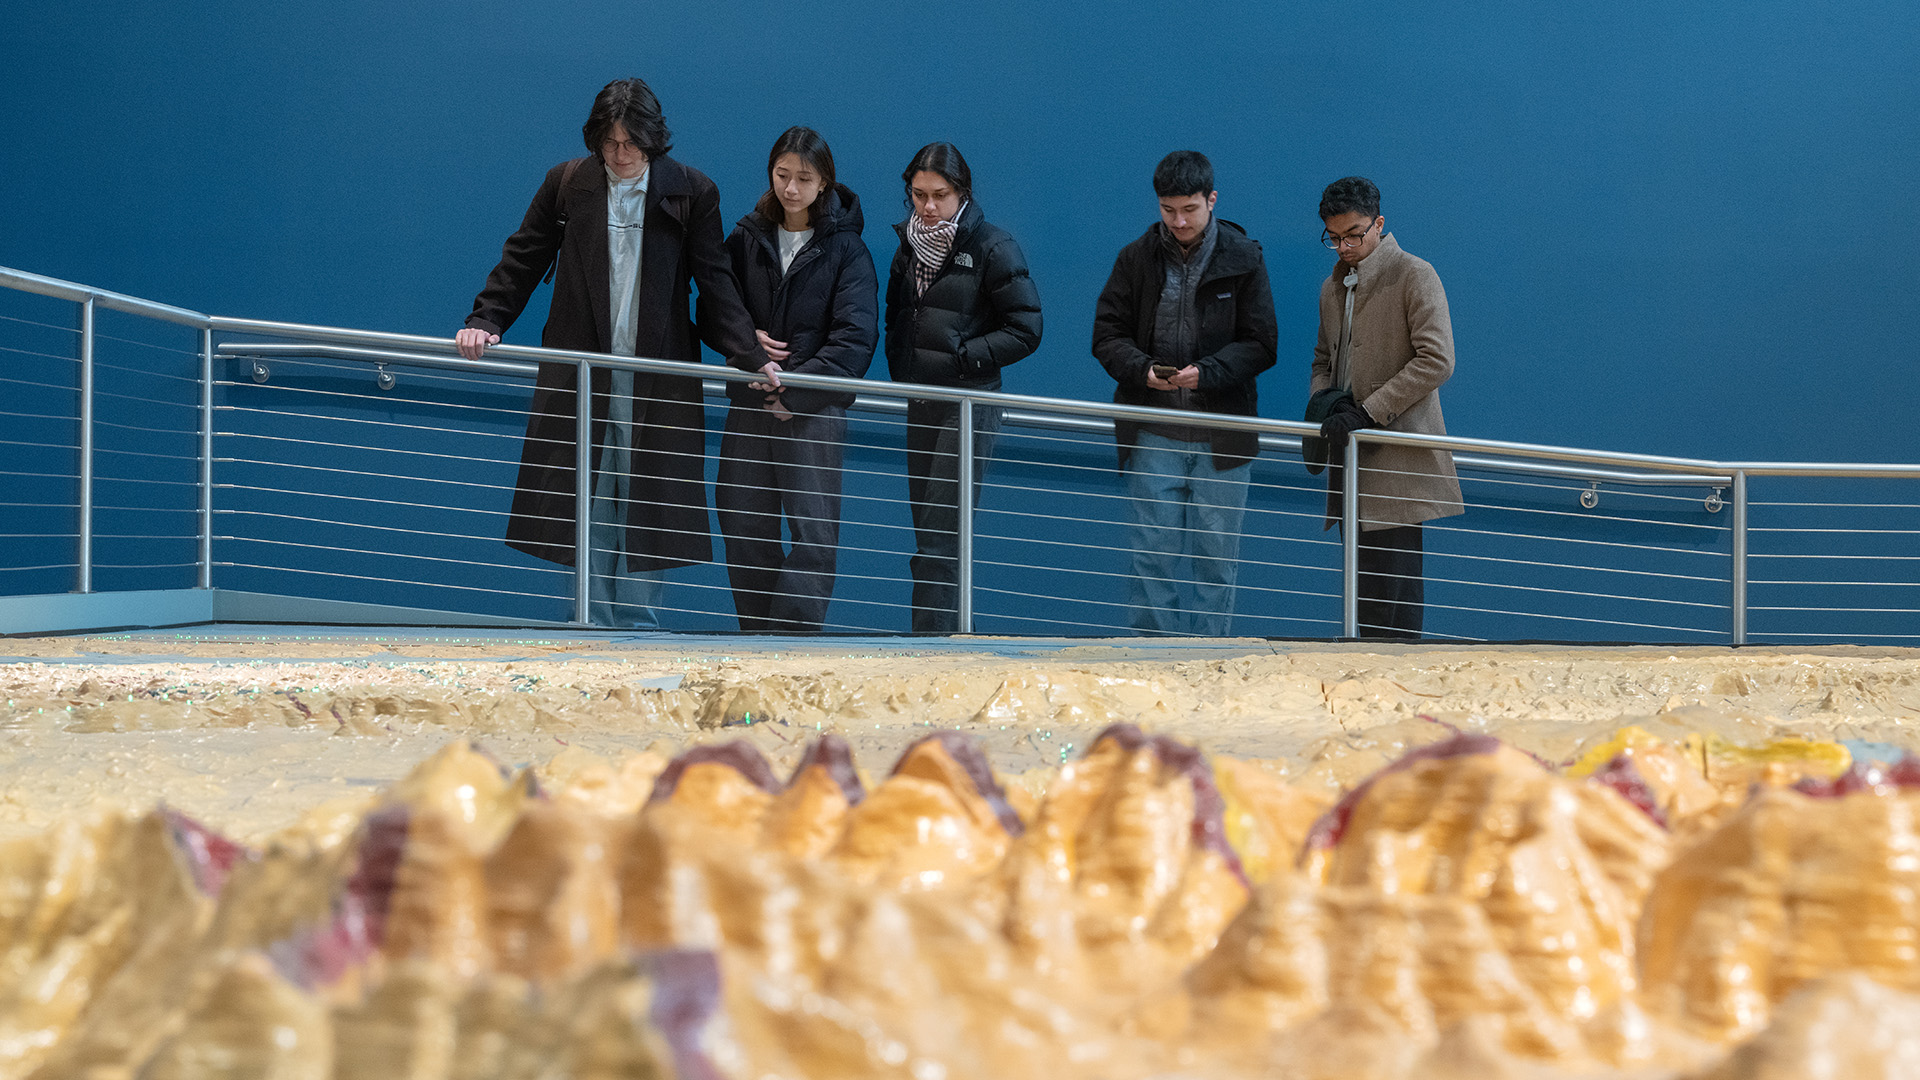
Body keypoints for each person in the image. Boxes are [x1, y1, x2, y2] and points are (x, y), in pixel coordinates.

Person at [456, 78, 766, 628]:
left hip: (658, 374)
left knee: (649, 499)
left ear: (654, 139)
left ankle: (639, 630)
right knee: (590, 495)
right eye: (609, 142)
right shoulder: (567, 183)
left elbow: (715, 281)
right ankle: (591, 625)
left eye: (631, 143)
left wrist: (748, 354)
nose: (620, 155)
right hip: (582, 367)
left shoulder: (692, 192)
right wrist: (486, 319)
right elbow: (523, 256)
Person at [1092, 151, 1277, 636]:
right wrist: (1142, 370)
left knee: (1216, 560)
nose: (1178, 221)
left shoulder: (1245, 258)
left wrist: (1209, 372)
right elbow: (1106, 335)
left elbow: (1262, 344)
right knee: (1151, 558)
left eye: (1189, 209)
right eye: (1168, 210)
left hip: (1223, 436)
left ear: (1212, 200)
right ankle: (1155, 658)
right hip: (1155, 432)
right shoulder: (1134, 258)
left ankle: (1210, 658)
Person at [716, 127, 878, 632]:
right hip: (749, 405)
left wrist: (795, 391)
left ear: (825, 181)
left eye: (804, 178)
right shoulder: (746, 237)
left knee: (813, 535)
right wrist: (747, 343)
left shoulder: (848, 250)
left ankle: (790, 645)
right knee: (742, 522)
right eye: (782, 175)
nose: (791, 188)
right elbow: (716, 310)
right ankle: (755, 638)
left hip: (812, 413)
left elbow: (854, 341)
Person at [883, 142, 1042, 632]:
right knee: (927, 534)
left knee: (940, 536)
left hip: (969, 404)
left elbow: (1027, 329)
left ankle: (936, 647)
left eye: (940, 195)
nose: (928, 207)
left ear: (962, 194)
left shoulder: (994, 246)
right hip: (921, 399)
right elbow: (897, 317)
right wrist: (904, 369)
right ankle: (932, 639)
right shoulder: (907, 245)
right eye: (919, 195)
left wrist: (963, 357)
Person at [1309, 176, 1463, 638]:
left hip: (1396, 458)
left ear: (1379, 223)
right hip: (1350, 456)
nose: (1344, 247)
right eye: (1333, 238)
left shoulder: (1415, 274)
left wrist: (1368, 411)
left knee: (1394, 597)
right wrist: (1326, 404)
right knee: (1362, 594)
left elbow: (1438, 360)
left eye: (1354, 235)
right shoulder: (1332, 288)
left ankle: (1395, 677)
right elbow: (1322, 360)